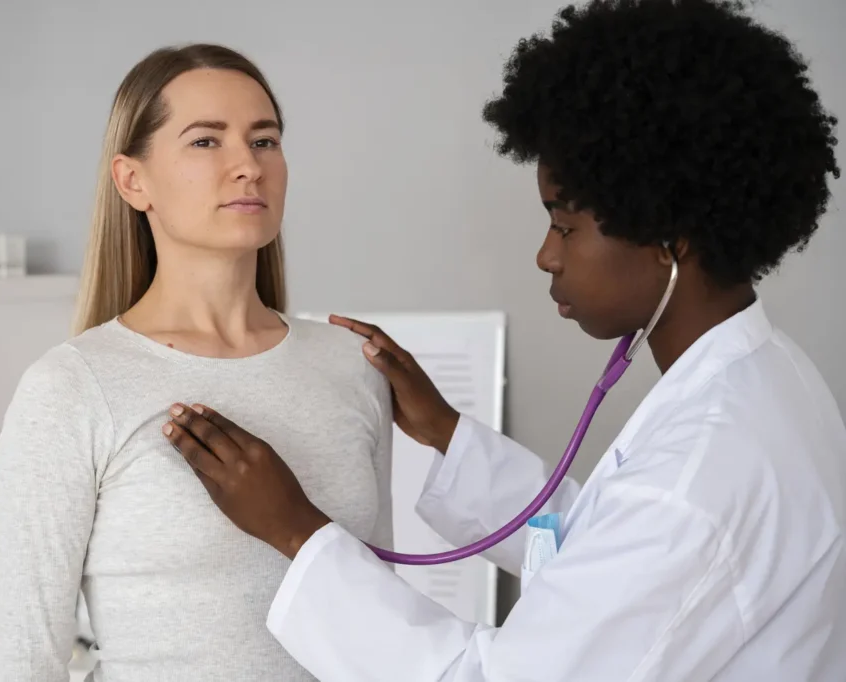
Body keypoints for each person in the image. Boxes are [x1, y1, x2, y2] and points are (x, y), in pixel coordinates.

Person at [162, 1, 846, 680]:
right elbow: (600, 551)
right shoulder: (771, 376)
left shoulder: (699, 475)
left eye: (566, 226)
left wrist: (293, 529)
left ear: (671, 239)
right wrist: (445, 432)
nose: (546, 256)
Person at [0, 44, 394, 682]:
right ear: (133, 180)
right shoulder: (72, 388)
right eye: (206, 142)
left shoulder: (353, 367)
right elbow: (26, 661)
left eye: (265, 140)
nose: (248, 167)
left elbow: (380, 619)